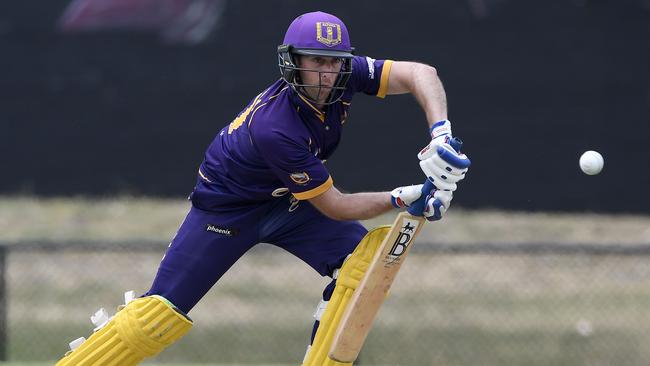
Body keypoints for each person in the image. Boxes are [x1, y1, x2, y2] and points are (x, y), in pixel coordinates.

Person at [56, 10, 470, 366]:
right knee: (157, 316)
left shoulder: (344, 76)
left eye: (334, 62)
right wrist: (404, 197)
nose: (326, 74)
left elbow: (422, 74)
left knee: (360, 268)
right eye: (315, 62)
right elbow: (336, 206)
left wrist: (440, 133)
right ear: (293, 63)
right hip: (228, 212)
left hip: (289, 203)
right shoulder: (277, 129)